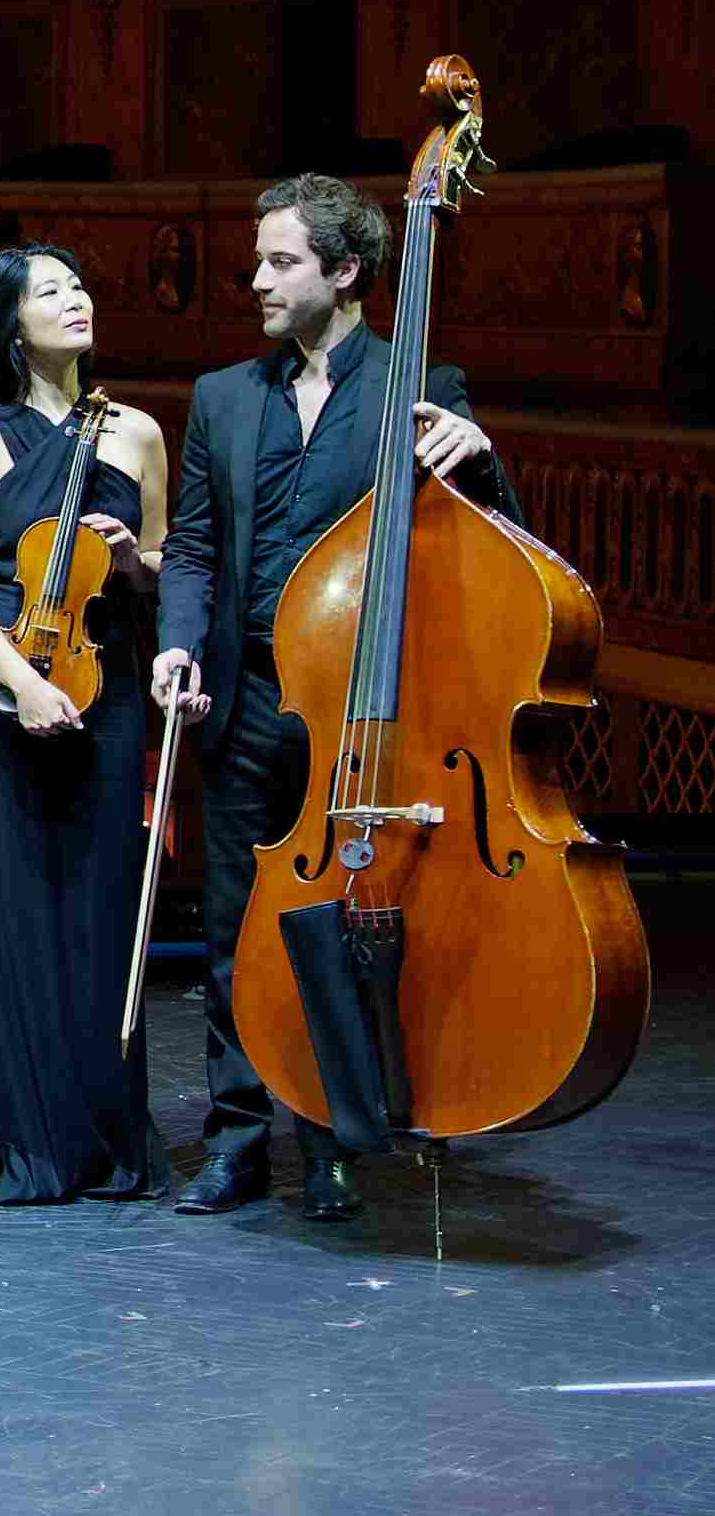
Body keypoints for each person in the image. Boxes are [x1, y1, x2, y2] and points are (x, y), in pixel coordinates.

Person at [152, 172, 517, 1226]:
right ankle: (234, 1138)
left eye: (280, 261)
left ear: (346, 271)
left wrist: (482, 463)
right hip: (244, 700)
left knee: (335, 924)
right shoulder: (224, 395)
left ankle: (332, 1140)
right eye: (259, 259)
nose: (256, 278)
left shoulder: (420, 382)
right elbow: (192, 551)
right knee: (232, 933)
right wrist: (178, 644)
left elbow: (484, 542)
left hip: (361, 711)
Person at [0, 243, 169, 1206]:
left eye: (79, 284)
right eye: (49, 292)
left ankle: (97, 1141)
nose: (75, 300)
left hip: (101, 693)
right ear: (8, 321)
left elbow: (160, 567)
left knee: (99, 916)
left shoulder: (139, 434)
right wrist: (20, 680)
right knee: (8, 919)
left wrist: (135, 558)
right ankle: (8, 1143)